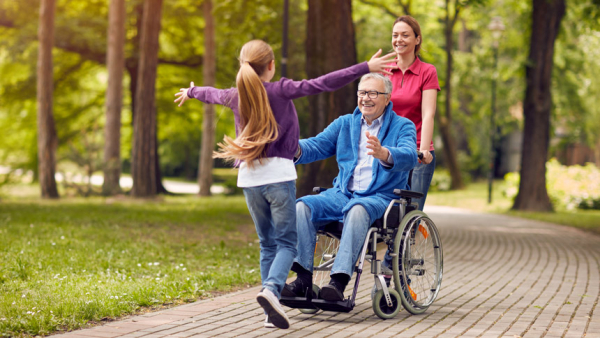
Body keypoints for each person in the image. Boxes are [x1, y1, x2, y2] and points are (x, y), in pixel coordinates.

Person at [174, 40, 398, 329]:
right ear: (270, 65)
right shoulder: (280, 90)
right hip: (278, 178)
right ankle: (272, 290)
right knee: (287, 244)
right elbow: (322, 83)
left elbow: (212, 94)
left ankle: (270, 313)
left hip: (249, 179)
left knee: (267, 244)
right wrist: (364, 67)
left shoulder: (236, 95)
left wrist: (191, 91)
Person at [282, 73, 418, 302]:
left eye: (373, 93)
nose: (366, 98)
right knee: (302, 207)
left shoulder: (403, 126)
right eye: (362, 93)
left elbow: (410, 156)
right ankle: (303, 279)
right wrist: (290, 147)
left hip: (380, 197)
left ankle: (338, 282)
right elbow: (317, 144)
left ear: (387, 98)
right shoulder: (345, 123)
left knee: (357, 209)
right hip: (343, 193)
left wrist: (385, 153)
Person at [388, 15, 440, 211]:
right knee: (386, 211)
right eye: (395, 35)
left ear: (417, 39)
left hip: (418, 150)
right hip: (389, 150)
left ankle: (409, 240)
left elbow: (428, 114)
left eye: (405, 35)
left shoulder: (427, 71)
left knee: (411, 212)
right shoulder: (384, 70)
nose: (398, 39)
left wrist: (424, 150)